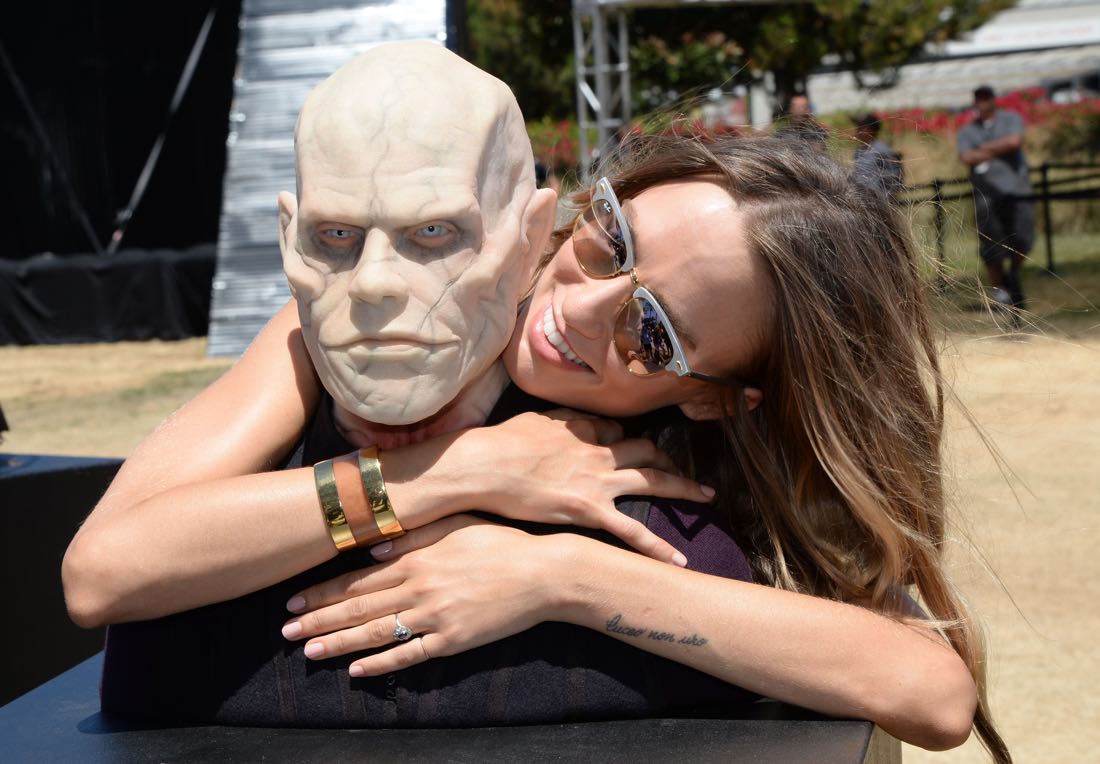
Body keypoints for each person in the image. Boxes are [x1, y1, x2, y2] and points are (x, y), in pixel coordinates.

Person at [61, 44, 1008, 760]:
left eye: (653, 332)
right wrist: (444, 474)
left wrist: (563, 579)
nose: (577, 303)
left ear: (721, 400)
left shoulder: (678, 485)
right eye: (610, 237)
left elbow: (926, 690)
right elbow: (104, 573)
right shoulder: (338, 335)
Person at [957, 84, 1035, 316]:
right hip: (986, 194)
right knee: (991, 243)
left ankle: (1013, 277)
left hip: (1017, 190)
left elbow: (1014, 142)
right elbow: (966, 157)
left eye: (986, 97)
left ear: (993, 99)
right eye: (978, 98)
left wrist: (984, 148)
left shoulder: (1011, 119)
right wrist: (999, 149)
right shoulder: (967, 130)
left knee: (1023, 238)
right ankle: (1000, 290)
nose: (982, 102)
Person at [851, 113, 904, 199]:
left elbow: (895, 175)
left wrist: (886, 196)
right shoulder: (859, 151)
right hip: (863, 198)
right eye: (858, 128)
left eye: (862, 128)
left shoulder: (882, 150)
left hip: (879, 199)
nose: (858, 131)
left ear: (872, 130)